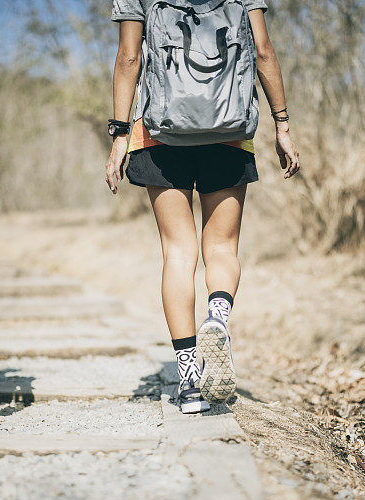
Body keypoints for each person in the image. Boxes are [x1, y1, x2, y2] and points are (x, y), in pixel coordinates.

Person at [106, 0, 299, 413]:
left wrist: (120, 134)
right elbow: (263, 51)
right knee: (222, 248)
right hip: (228, 130)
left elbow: (129, 57)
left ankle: (190, 380)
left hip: (159, 134)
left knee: (178, 253)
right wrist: (282, 124)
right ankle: (217, 315)